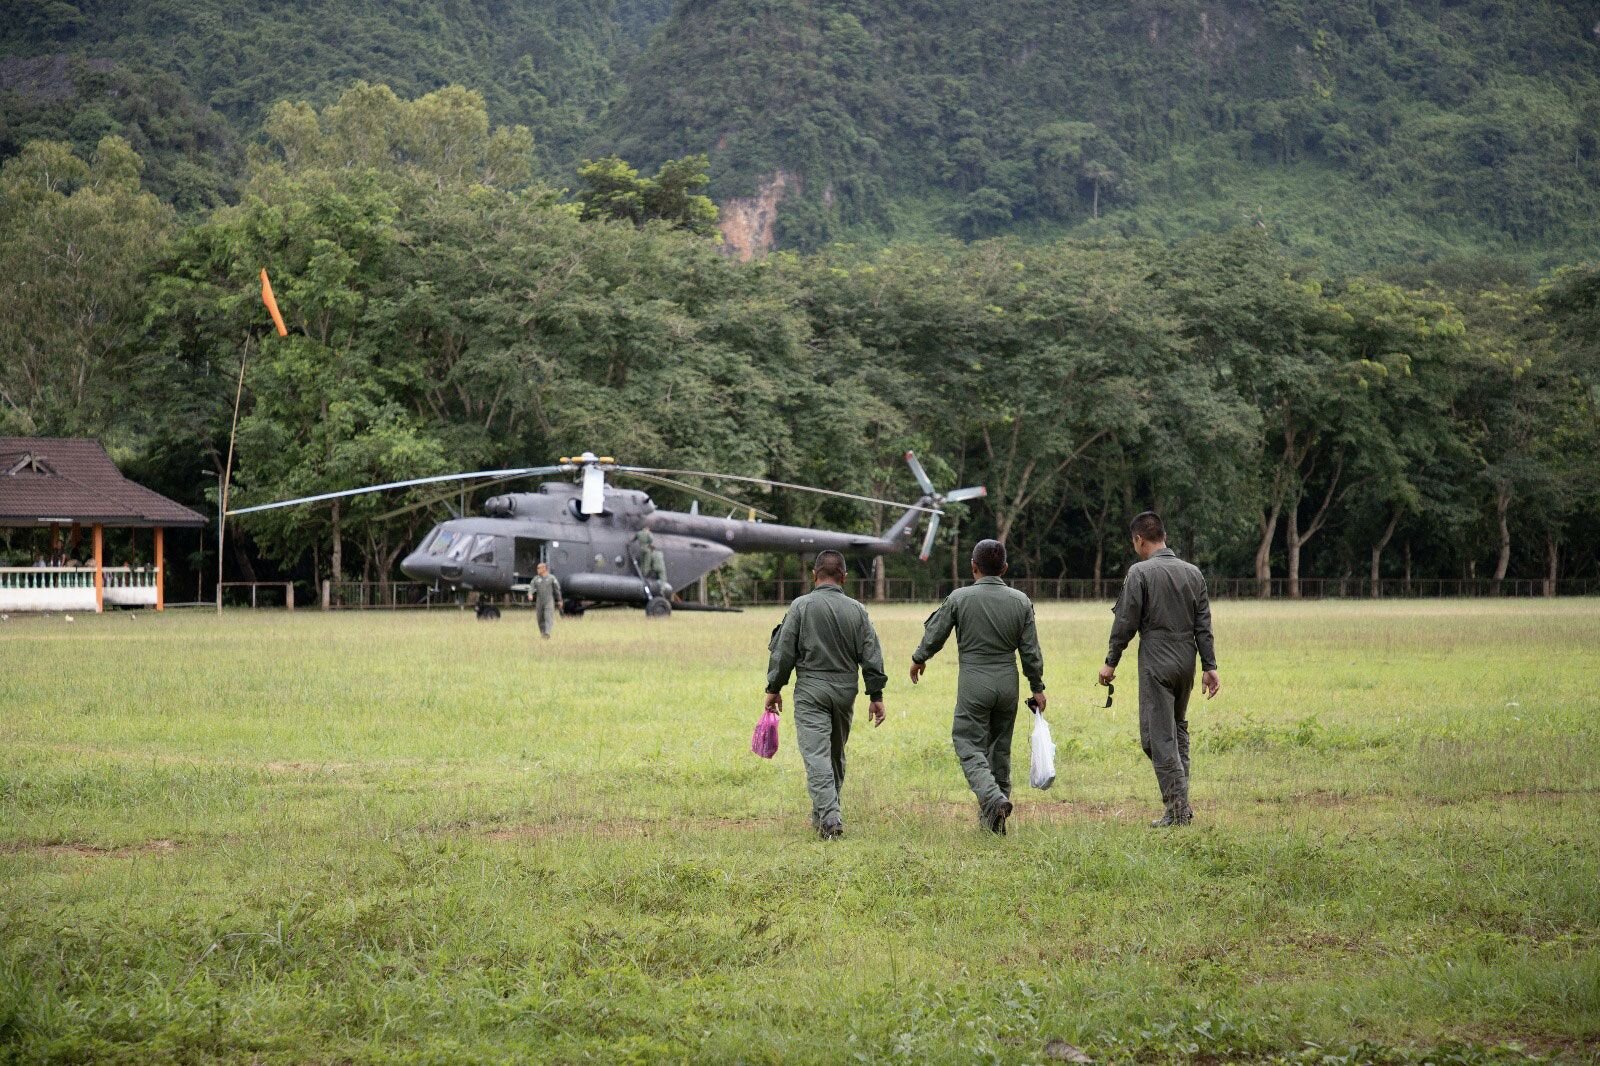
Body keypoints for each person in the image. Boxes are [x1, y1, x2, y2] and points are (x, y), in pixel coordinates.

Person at [910, 539, 1046, 835]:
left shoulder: (960, 598)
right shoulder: (1021, 601)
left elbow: (936, 632)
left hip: (975, 682)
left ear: (973, 567)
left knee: (968, 743)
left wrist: (920, 658)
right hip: (1008, 683)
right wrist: (1037, 686)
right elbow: (1031, 651)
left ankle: (993, 798)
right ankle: (994, 822)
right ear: (1005, 568)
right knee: (1000, 751)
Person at [1098, 511, 1220, 828]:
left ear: (1140, 540)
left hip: (1157, 657)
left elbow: (1125, 621)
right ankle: (1182, 804)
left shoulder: (1140, 573)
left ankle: (1178, 810)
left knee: (1156, 738)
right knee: (1177, 729)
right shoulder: (1194, 573)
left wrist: (1111, 661)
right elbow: (1203, 624)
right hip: (1187, 660)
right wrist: (1210, 666)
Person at [764, 549, 888, 839]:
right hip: (845, 691)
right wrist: (876, 695)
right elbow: (871, 654)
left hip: (811, 691)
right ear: (844, 577)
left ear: (814, 575)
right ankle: (823, 818)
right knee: (834, 754)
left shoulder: (801, 606)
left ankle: (831, 817)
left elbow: (783, 653)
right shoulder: (857, 610)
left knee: (816, 755)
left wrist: (774, 688)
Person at [528, 562, 564, 639]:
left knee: (548, 617)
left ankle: (547, 633)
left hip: (549, 601)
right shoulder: (536, 579)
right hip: (539, 601)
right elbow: (531, 587)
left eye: (538, 568)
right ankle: (542, 633)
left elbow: (557, 590)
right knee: (540, 618)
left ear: (544, 569)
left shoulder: (552, 578)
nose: (537, 570)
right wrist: (530, 594)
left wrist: (560, 600)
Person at [633, 529, 672, 599]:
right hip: (661, 568)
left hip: (654, 567)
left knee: (646, 569)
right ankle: (662, 590)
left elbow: (648, 563)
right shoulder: (660, 553)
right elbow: (651, 539)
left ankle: (644, 577)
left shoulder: (651, 554)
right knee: (663, 579)